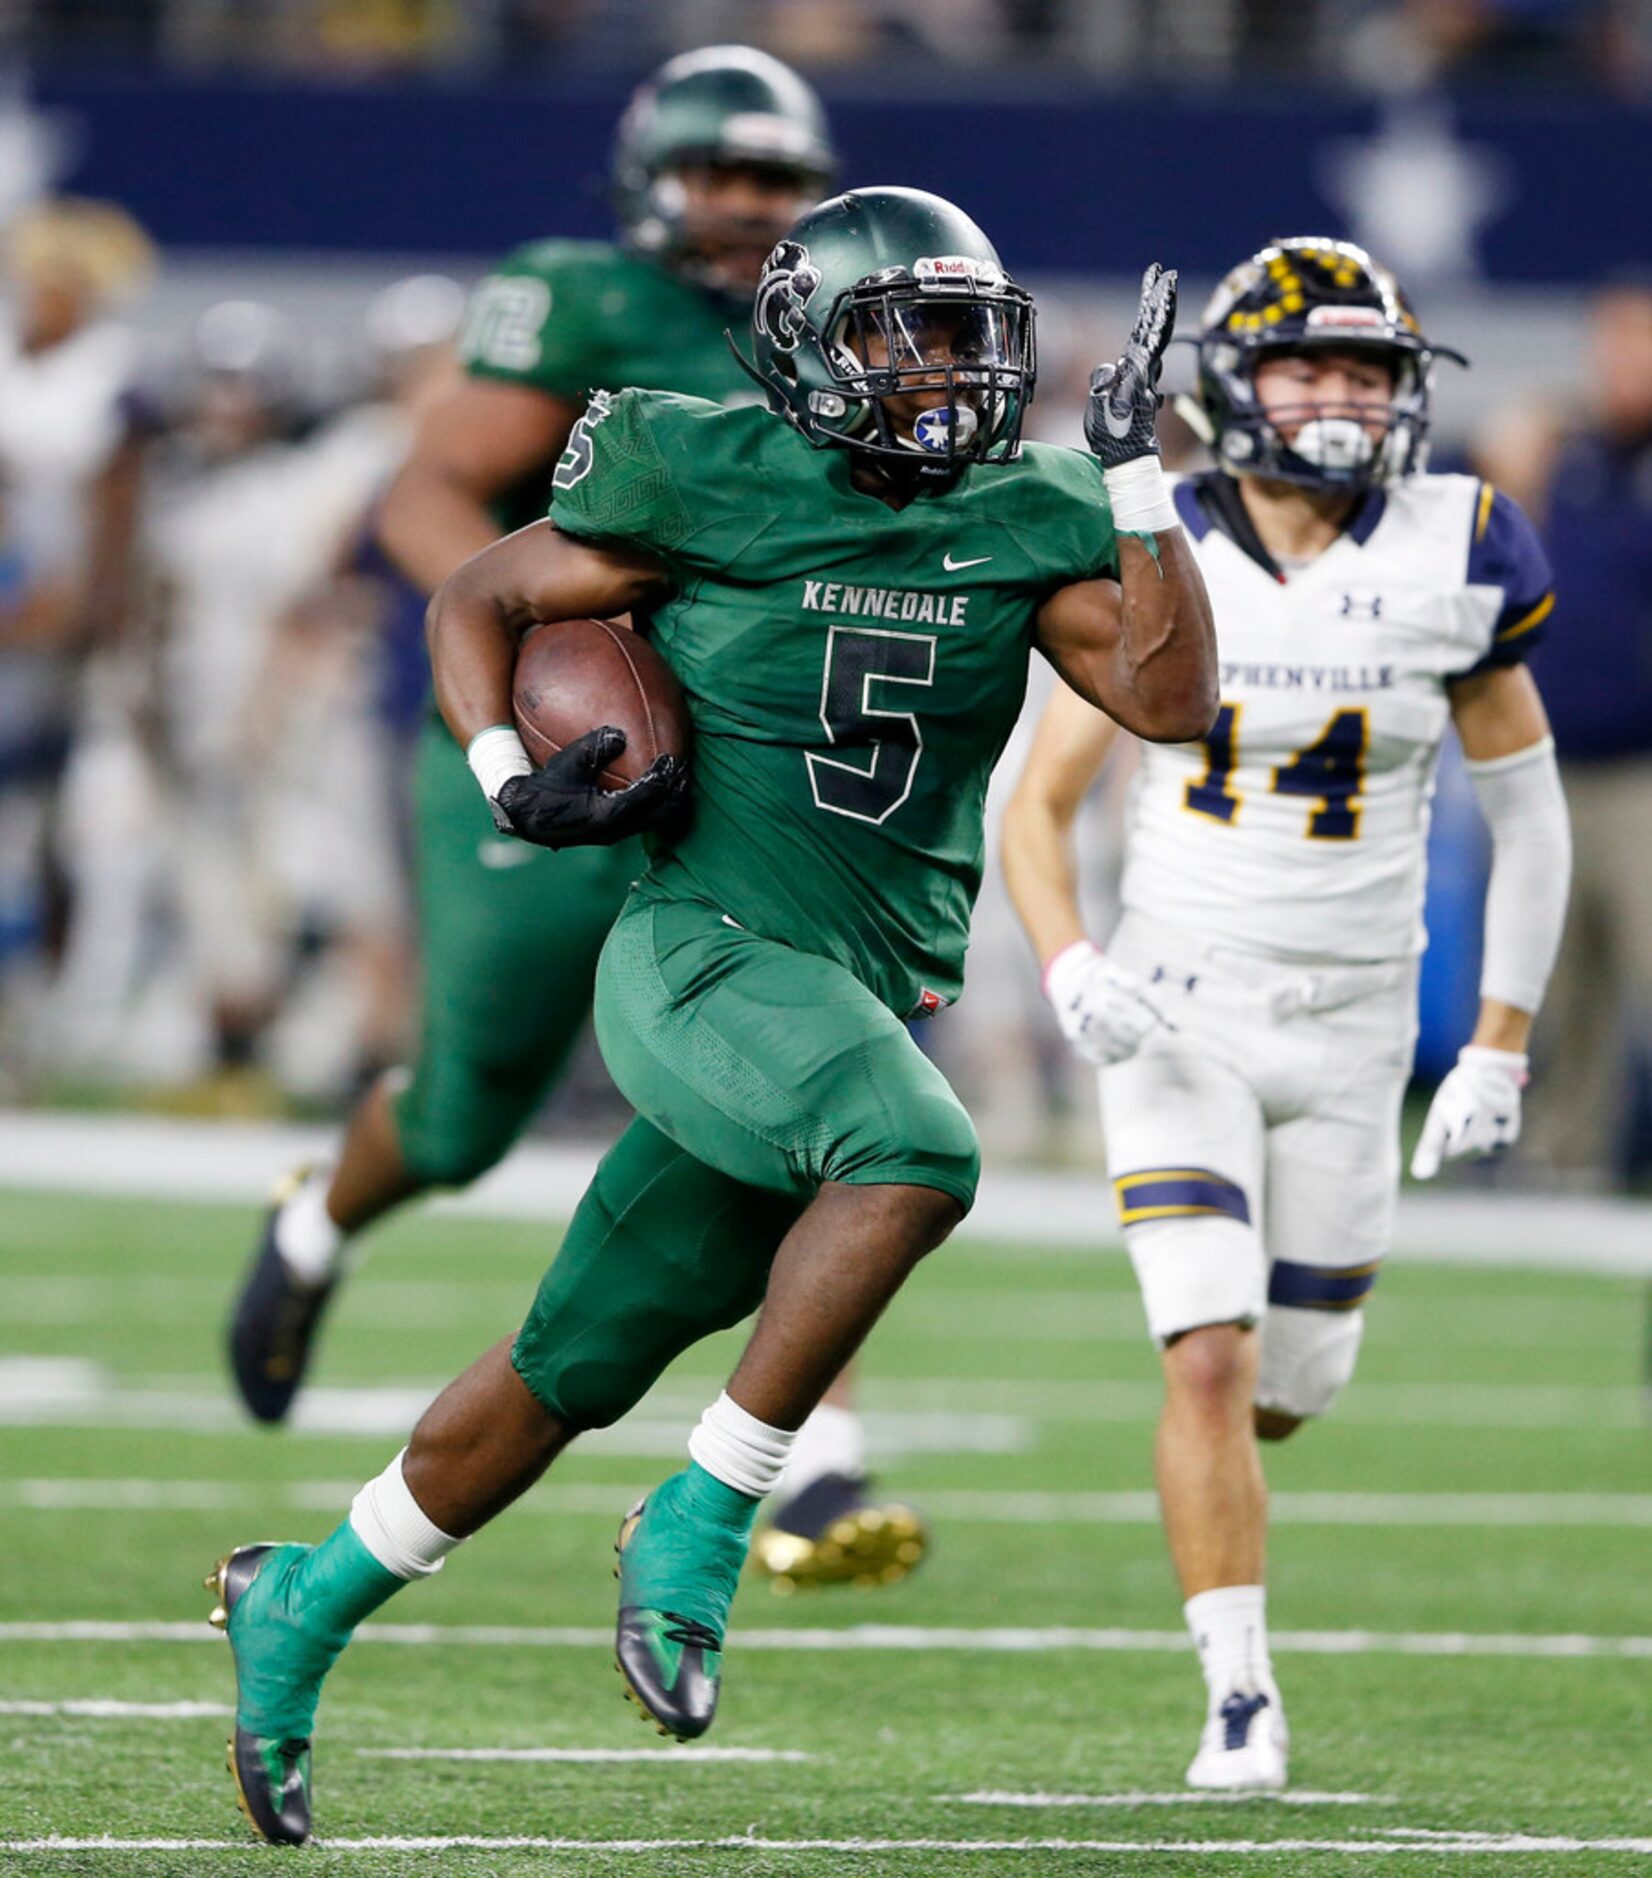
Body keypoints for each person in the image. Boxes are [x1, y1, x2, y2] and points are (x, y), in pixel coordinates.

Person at [203, 184, 1217, 1847]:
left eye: (971, 336)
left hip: (850, 983)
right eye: (912, 336)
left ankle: (298, 1603)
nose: (950, 374)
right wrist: (500, 771)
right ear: (814, 349)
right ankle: (705, 1516)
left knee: (560, 1369)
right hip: (704, 950)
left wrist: (1134, 483)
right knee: (916, 1151)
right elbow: (476, 596)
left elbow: (1172, 698)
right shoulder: (704, 467)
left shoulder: (1035, 509)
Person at [223, 47, 916, 1584]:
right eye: (719, 176)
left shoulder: (839, 320)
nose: (749, 208)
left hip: (735, 761)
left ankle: (813, 1457)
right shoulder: (584, 300)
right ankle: (317, 1218)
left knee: (818, 1068)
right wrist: (542, 674)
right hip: (557, 755)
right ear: (650, 183)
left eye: (776, 181)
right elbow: (423, 502)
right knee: (468, 1114)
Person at [1003, 237, 1572, 1792]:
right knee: (1203, 1354)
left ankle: (1234, 1529)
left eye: (1367, 370)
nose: (1338, 395)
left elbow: (1532, 818)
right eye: (1309, 364)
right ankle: (1239, 1693)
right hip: (1181, 1000)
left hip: (1357, 1030)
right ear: (1237, 384)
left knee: (1289, 1389)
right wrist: (1067, 963)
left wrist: (1504, 1037)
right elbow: (1039, 803)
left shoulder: (1461, 542)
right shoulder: (1156, 535)